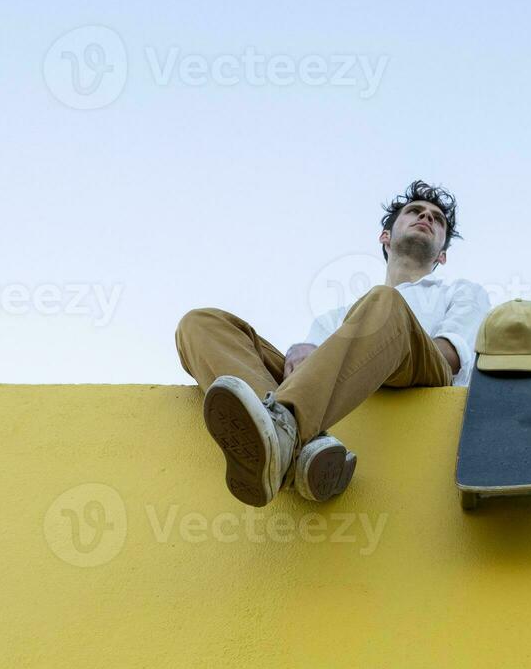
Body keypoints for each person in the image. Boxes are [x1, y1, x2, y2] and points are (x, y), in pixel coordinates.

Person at [175, 180, 491, 507]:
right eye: (415, 211)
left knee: (385, 304)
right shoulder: (336, 317)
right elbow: (306, 368)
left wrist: (372, 354)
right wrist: (301, 352)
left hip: (422, 373)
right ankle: (294, 450)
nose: (426, 217)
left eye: (437, 219)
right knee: (201, 324)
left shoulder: (461, 292)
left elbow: (450, 355)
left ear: (442, 255)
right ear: (385, 236)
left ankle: (285, 431)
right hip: (321, 389)